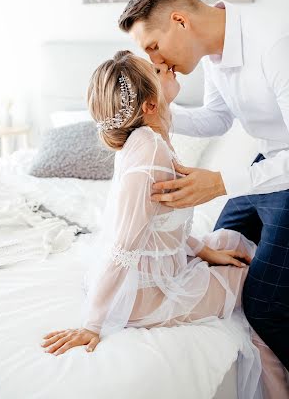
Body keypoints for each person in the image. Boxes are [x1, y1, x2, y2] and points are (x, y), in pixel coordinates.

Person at [41, 50, 288, 399]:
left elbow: (157, 227)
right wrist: (91, 325)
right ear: (150, 106)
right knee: (262, 284)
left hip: (158, 267)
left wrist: (202, 250)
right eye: (155, 70)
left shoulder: (152, 141)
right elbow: (124, 247)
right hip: (147, 293)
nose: (165, 66)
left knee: (231, 245)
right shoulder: (149, 153)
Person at [116, 0, 289, 375]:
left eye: (153, 47)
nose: (155, 61)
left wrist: (221, 182)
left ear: (179, 21)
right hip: (267, 164)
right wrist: (155, 112)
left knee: (264, 304)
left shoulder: (276, 42)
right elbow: (218, 118)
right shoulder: (214, 53)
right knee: (214, 256)